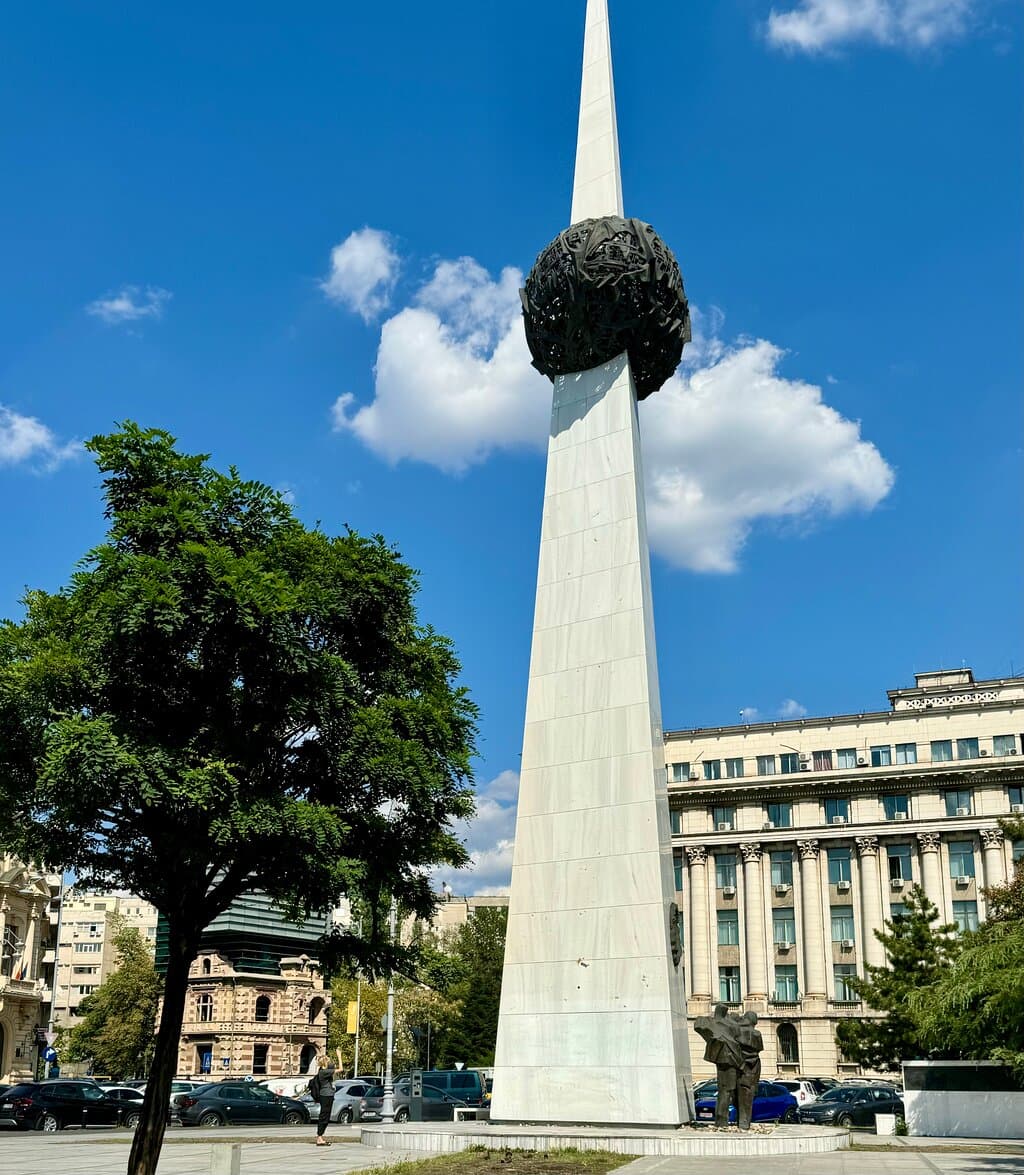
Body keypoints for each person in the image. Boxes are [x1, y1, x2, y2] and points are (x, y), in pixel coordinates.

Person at [694, 1003, 744, 1127]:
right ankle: (721, 1120)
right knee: (725, 1091)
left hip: (729, 1061)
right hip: (727, 1061)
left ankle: (722, 1120)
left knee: (726, 1091)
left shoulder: (729, 1027)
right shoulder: (714, 1024)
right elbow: (699, 1025)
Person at [735, 1011, 763, 1131]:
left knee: (740, 1096)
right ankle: (744, 1123)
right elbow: (759, 1048)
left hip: (740, 1066)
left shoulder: (736, 1032)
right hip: (751, 1068)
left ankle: (742, 1122)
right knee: (747, 1095)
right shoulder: (756, 1034)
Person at [310, 1051, 336, 1146]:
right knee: (324, 1116)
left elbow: (332, 1066)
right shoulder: (323, 1072)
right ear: (325, 1063)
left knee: (326, 1116)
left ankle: (320, 1137)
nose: (329, 1062)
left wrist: (330, 1060)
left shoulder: (324, 1071)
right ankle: (319, 1137)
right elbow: (340, 1069)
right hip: (325, 1095)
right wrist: (339, 1056)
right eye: (328, 1061)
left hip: (328, 1095)